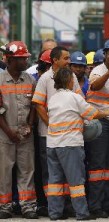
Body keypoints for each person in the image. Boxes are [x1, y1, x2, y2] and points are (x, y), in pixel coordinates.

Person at [46, 67, 109, 220]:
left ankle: (54, 213)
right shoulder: (74, 98)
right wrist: (106, 113)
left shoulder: (53, 99)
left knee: (55, 181)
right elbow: (92, 114)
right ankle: (82, 213)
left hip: (52, 144)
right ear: (69, 80)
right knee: (76, 181)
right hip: (70, 144)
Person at [32, 46, 83, 216]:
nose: (69, 61)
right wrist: (51, 123)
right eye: (66, 58)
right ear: (55, 60)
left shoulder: (72, 77)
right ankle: (52, 207)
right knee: (51, 174)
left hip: (68, 135)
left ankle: (66, 207)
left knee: (68, 173)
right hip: (48, 134)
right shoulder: (45, 78)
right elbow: (38, 104)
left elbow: (78, 99)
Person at [85, 37, 109, 218]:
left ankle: (107, 205)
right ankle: (95, 205)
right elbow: (94, 86)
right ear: (105, 54)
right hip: (100, 124)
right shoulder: (98, 71)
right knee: (97, 166)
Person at [0, 41, 38, 219]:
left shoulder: (30, 80)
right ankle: (4, 206)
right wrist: (8, 132)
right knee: (4, 171)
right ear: (10, 60)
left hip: (25, 135)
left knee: (27, 170)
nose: (26, 62)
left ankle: (28, 206)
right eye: (22, 59)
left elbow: (34, 107)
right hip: (5, 134)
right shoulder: (0, 80)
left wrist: (30, 125)